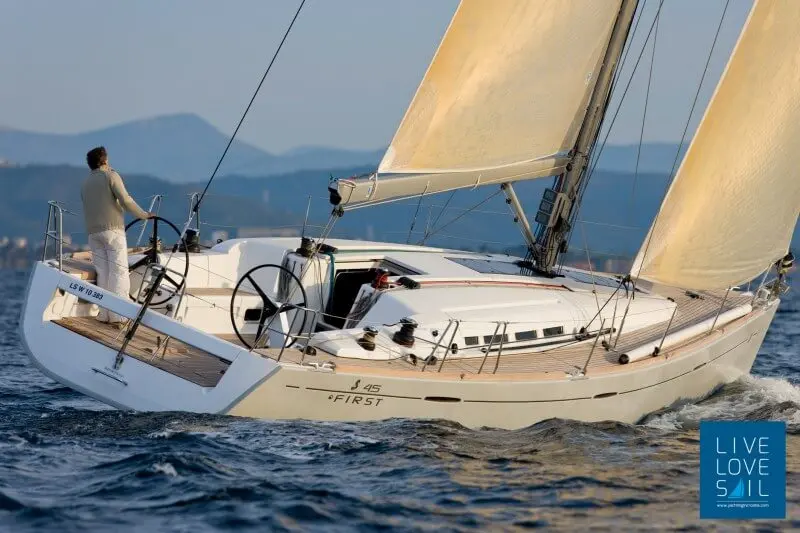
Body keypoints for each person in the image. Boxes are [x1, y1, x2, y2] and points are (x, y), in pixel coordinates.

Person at [81, 146, 153, 325]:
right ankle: (118, 315)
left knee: (103, 273)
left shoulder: (85, 183)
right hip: (113, 231)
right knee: (119, 271)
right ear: (105, 160)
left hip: (93, 233)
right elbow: (125, 200)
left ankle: (104, 314)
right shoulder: (111, 176)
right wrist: (144, 215)